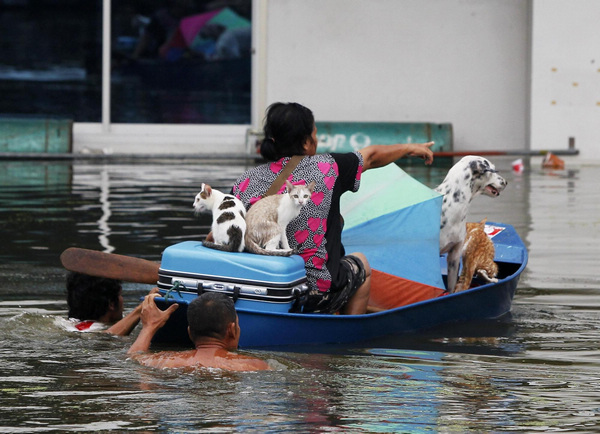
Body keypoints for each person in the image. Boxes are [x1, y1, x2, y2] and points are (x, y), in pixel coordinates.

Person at [231, 102, 434, 315]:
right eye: (315, 134)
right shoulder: (328, 168)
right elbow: (372, 156)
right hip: (313, 292)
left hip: (258, 288)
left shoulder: (244, 182)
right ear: (306, 142)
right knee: (361, 263)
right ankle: (350, 333)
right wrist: (410, 148)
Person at [127, 292, 271, 371]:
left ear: (189, 332)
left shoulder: (165, 361)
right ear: (232, 330)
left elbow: (132, 358)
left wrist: (149, 327)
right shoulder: (255, 366)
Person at [66, 271, 157, 336]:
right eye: (120, 295)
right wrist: (143, 306)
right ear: (111, 304)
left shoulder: (72, 326)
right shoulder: (92, 331)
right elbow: (107, 337)